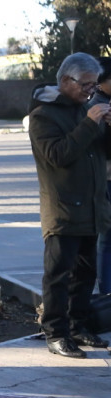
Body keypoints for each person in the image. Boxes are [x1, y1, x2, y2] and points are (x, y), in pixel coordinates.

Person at [28, 52, 111, 358]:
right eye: (86, 84)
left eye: (94, 84)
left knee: (85, 276)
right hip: (63, 209)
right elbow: (58, 155)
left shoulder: (84, 108)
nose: (92, 90)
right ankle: (56, 333)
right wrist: (90, 124)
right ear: (66, 81)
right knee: (59, 275)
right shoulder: (43, 115)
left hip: (91, 208)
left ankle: (78, 326)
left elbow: (103, 154)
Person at [88, 57, 111, 295]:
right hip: (106, 179)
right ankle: (106, 294)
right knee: (106, 240)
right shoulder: (98, 105)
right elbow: (100, 147)